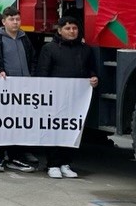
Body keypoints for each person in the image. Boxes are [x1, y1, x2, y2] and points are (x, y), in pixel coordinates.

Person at [38, 16, 98, 179]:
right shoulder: (49, 48)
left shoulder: (85, 50)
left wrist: (93, 78)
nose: (72, 31)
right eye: (67, 28)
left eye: (74, 28)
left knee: (71, 130)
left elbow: (91, 70)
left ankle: (65, 163)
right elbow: (42, 73)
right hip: (55, 98)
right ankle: (53, 164)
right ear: (59, 31)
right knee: (54, 130)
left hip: (76, 99)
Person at [0, 7, 38, 172]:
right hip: (4, 90)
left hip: (23, 89)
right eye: (11, 19)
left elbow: (33, 58)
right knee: (2, 123)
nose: (15, 22)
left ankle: (15, 157)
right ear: (4, 21)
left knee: (19, 124)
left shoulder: (24, 38)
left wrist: (32, 75)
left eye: (18, 19)